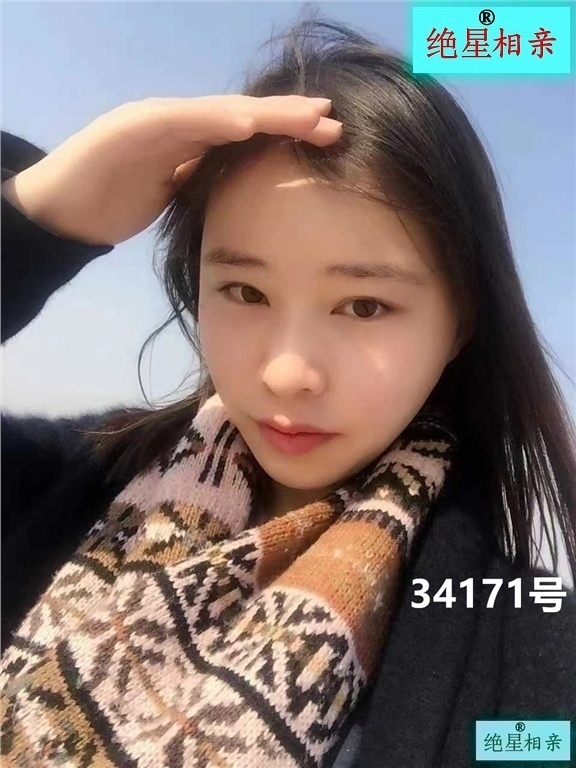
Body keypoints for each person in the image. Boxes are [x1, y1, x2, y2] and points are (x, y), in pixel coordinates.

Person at [1, 13, 575, 768]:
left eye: (364, 306)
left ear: (460, 324)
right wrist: (34, 220)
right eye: (244, 291)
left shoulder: (529, 651)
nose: (286, 372)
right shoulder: (67, 484)